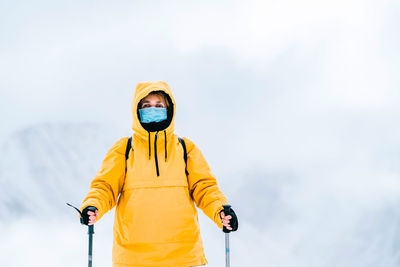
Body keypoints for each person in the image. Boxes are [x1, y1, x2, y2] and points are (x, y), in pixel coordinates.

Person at [81, 81, 238, 267]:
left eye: (159, 105)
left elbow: (205, 189)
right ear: (136, 110)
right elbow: (105, 187)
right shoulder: (124, 149)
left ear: (169, 110)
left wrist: (221, 211)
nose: (152, 110)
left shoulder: (185, 149)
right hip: (134, 257)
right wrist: (93, 205)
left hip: (183, 255)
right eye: (146, 106)